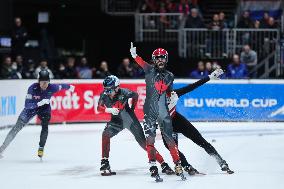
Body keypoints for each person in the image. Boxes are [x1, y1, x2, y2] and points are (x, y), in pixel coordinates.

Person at [98, 75, 173, 178]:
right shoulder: (104, 95)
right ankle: (104, 162)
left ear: (117, 87)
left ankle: (163, 164)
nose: (108, 93)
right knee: (105, 134)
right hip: (116, 122)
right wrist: (109, 110)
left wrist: (132, 108)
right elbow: (99, 108)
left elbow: (135, 95)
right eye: (106, 90)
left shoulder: (124, 92)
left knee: (143, 144)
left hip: (131, 121)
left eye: (110, 90)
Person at [130, 42, 186, 181]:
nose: (160, 59)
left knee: (169, 139)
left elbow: (168, 92)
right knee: (150, 139)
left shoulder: (170, 76)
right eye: (157, 57)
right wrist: (135, 55)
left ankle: (177, 164)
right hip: (149, 110)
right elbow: (141, 62)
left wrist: (171, 97)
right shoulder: (149, 69)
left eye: (162, 57)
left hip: (163, 111)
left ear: (166, 59)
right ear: (154, 60)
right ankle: (153, 166)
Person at [162, 69, 234, 175]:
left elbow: (192, 86)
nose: (169, 88)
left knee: (200, 141)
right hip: (165, 125)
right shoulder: (155, 99)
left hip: (177, 120)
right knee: (173, 148)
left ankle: (221, 162)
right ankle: (186, 165)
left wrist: (209, 77)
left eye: (170, 85)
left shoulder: (174, 94)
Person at [0, 70, 75, 159]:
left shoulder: (52, 87)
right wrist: (39, 103)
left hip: (44, 109)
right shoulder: (32, 88)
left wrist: (70, 87)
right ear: (38, 82)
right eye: (42, 83)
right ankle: (2, 148)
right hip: (30, 109)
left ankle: (41, 147)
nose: (44, 85)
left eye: (46, 83)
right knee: (16, 128)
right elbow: (27, 105)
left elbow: (62, 86)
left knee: (45, 126)